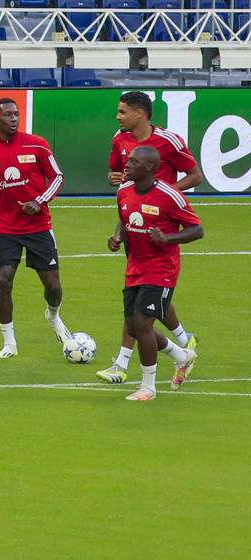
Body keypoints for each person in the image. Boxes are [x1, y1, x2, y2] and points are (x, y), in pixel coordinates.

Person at [98, 90, 201, 382]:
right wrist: (116, 181)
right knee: (144, 297)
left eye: (122, 112)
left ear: (139, 113)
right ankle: (184, 343)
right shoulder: (119, 139)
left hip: (160, 231)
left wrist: (162, 199)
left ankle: (122, 365)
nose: (117, 117)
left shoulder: (168, 141)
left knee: (146, 300)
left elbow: (195, 175)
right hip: (133, 225)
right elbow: (115, 177)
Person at [0, 98, 71, 359]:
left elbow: (57, 176)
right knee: (4, 280)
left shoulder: (37, 144)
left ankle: (53, 314)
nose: (14, 118)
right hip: (5, 229)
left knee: (53, 286)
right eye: (7, 114)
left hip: (38, 226)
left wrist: (39, 201)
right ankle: (9, 342)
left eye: (16, 114)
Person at [110, 145, 202, 402]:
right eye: (127, 161)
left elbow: (197, 229)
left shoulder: (170, 195)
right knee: (135, 327)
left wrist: (168, 237)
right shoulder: (124, 191)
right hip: (135, 267)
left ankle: (148, 387)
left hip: (162, 268)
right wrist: (117, 237)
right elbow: (126, 218)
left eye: (133, 162)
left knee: (142, 323)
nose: (126, 165)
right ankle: (182, 356)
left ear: (150, 167)